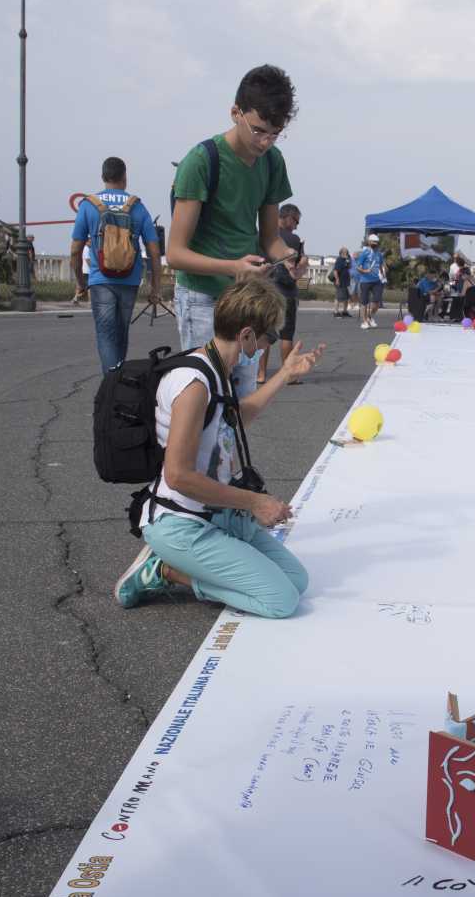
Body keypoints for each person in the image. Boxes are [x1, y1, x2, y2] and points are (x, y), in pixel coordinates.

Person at [114, 278, 324, 615]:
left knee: (296, 581)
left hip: (217, 516)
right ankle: (164, 570)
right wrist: (256, 502)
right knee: (280, 600)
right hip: (181, 523)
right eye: (268, 336)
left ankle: (186, 564)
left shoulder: (216, 368)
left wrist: (284, 374)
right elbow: (179, 475)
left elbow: (235, 417)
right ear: (245, 336)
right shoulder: (194, 384)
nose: (269, 342)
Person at [168, 64, 298, 396]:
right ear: (235, 112)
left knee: (238, 408)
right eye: (258, 130)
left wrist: (288, 257)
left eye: (275, 133)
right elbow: (176, 254)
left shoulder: (272, 162)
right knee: (205, 403)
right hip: (202, 299)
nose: (266, 142)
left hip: (246, 303)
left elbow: (270, 239)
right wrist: (234, 267)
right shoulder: (201, 161)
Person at [70, 157, 162, 374]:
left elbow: (75, 250)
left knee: (105, 334)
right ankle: (118, 384)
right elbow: (154, 251)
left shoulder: (89, 206)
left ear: (103, 177)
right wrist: (155, 287)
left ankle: (111, 386)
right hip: (129, 279)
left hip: (100, 280)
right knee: (121, 333)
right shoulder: (137, 206)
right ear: (124, 177)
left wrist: (80, 282)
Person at [257, 205, 309, 383]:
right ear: (288, 217)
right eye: (296, 221)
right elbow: (300, 266)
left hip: (265, 289)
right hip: (286, 291)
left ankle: (261, 373)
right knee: (286, 335)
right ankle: (289, 376)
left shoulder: (262, 236)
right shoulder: (293, 239)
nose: (296, 226)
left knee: (263, 333)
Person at [354, 234, 386, 329]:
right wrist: (365, 271)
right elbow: (358, 267)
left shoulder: (379, 253)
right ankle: (364, 322)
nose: (375, 244)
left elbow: (380, 265)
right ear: (369, 242)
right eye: (373, 242)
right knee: (364, 302)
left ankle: (369, 317)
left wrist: (382, 273)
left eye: (376, 242)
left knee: (377, 302)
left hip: (377, 281)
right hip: (365, 280)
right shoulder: (364, 253)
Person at [332, 246, 352, 317]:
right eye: (345, 252)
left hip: (346, 282)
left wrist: (348, 261)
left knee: (346, 297)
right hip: (340, 281)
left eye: (347, 252)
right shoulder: (339, 260)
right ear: (341, 253)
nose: (346, 253)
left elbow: (349, 267)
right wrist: (337, 280)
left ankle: (345, 311)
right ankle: (335, 311)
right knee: (338, 297)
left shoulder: (347, 259)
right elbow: (335, 271)